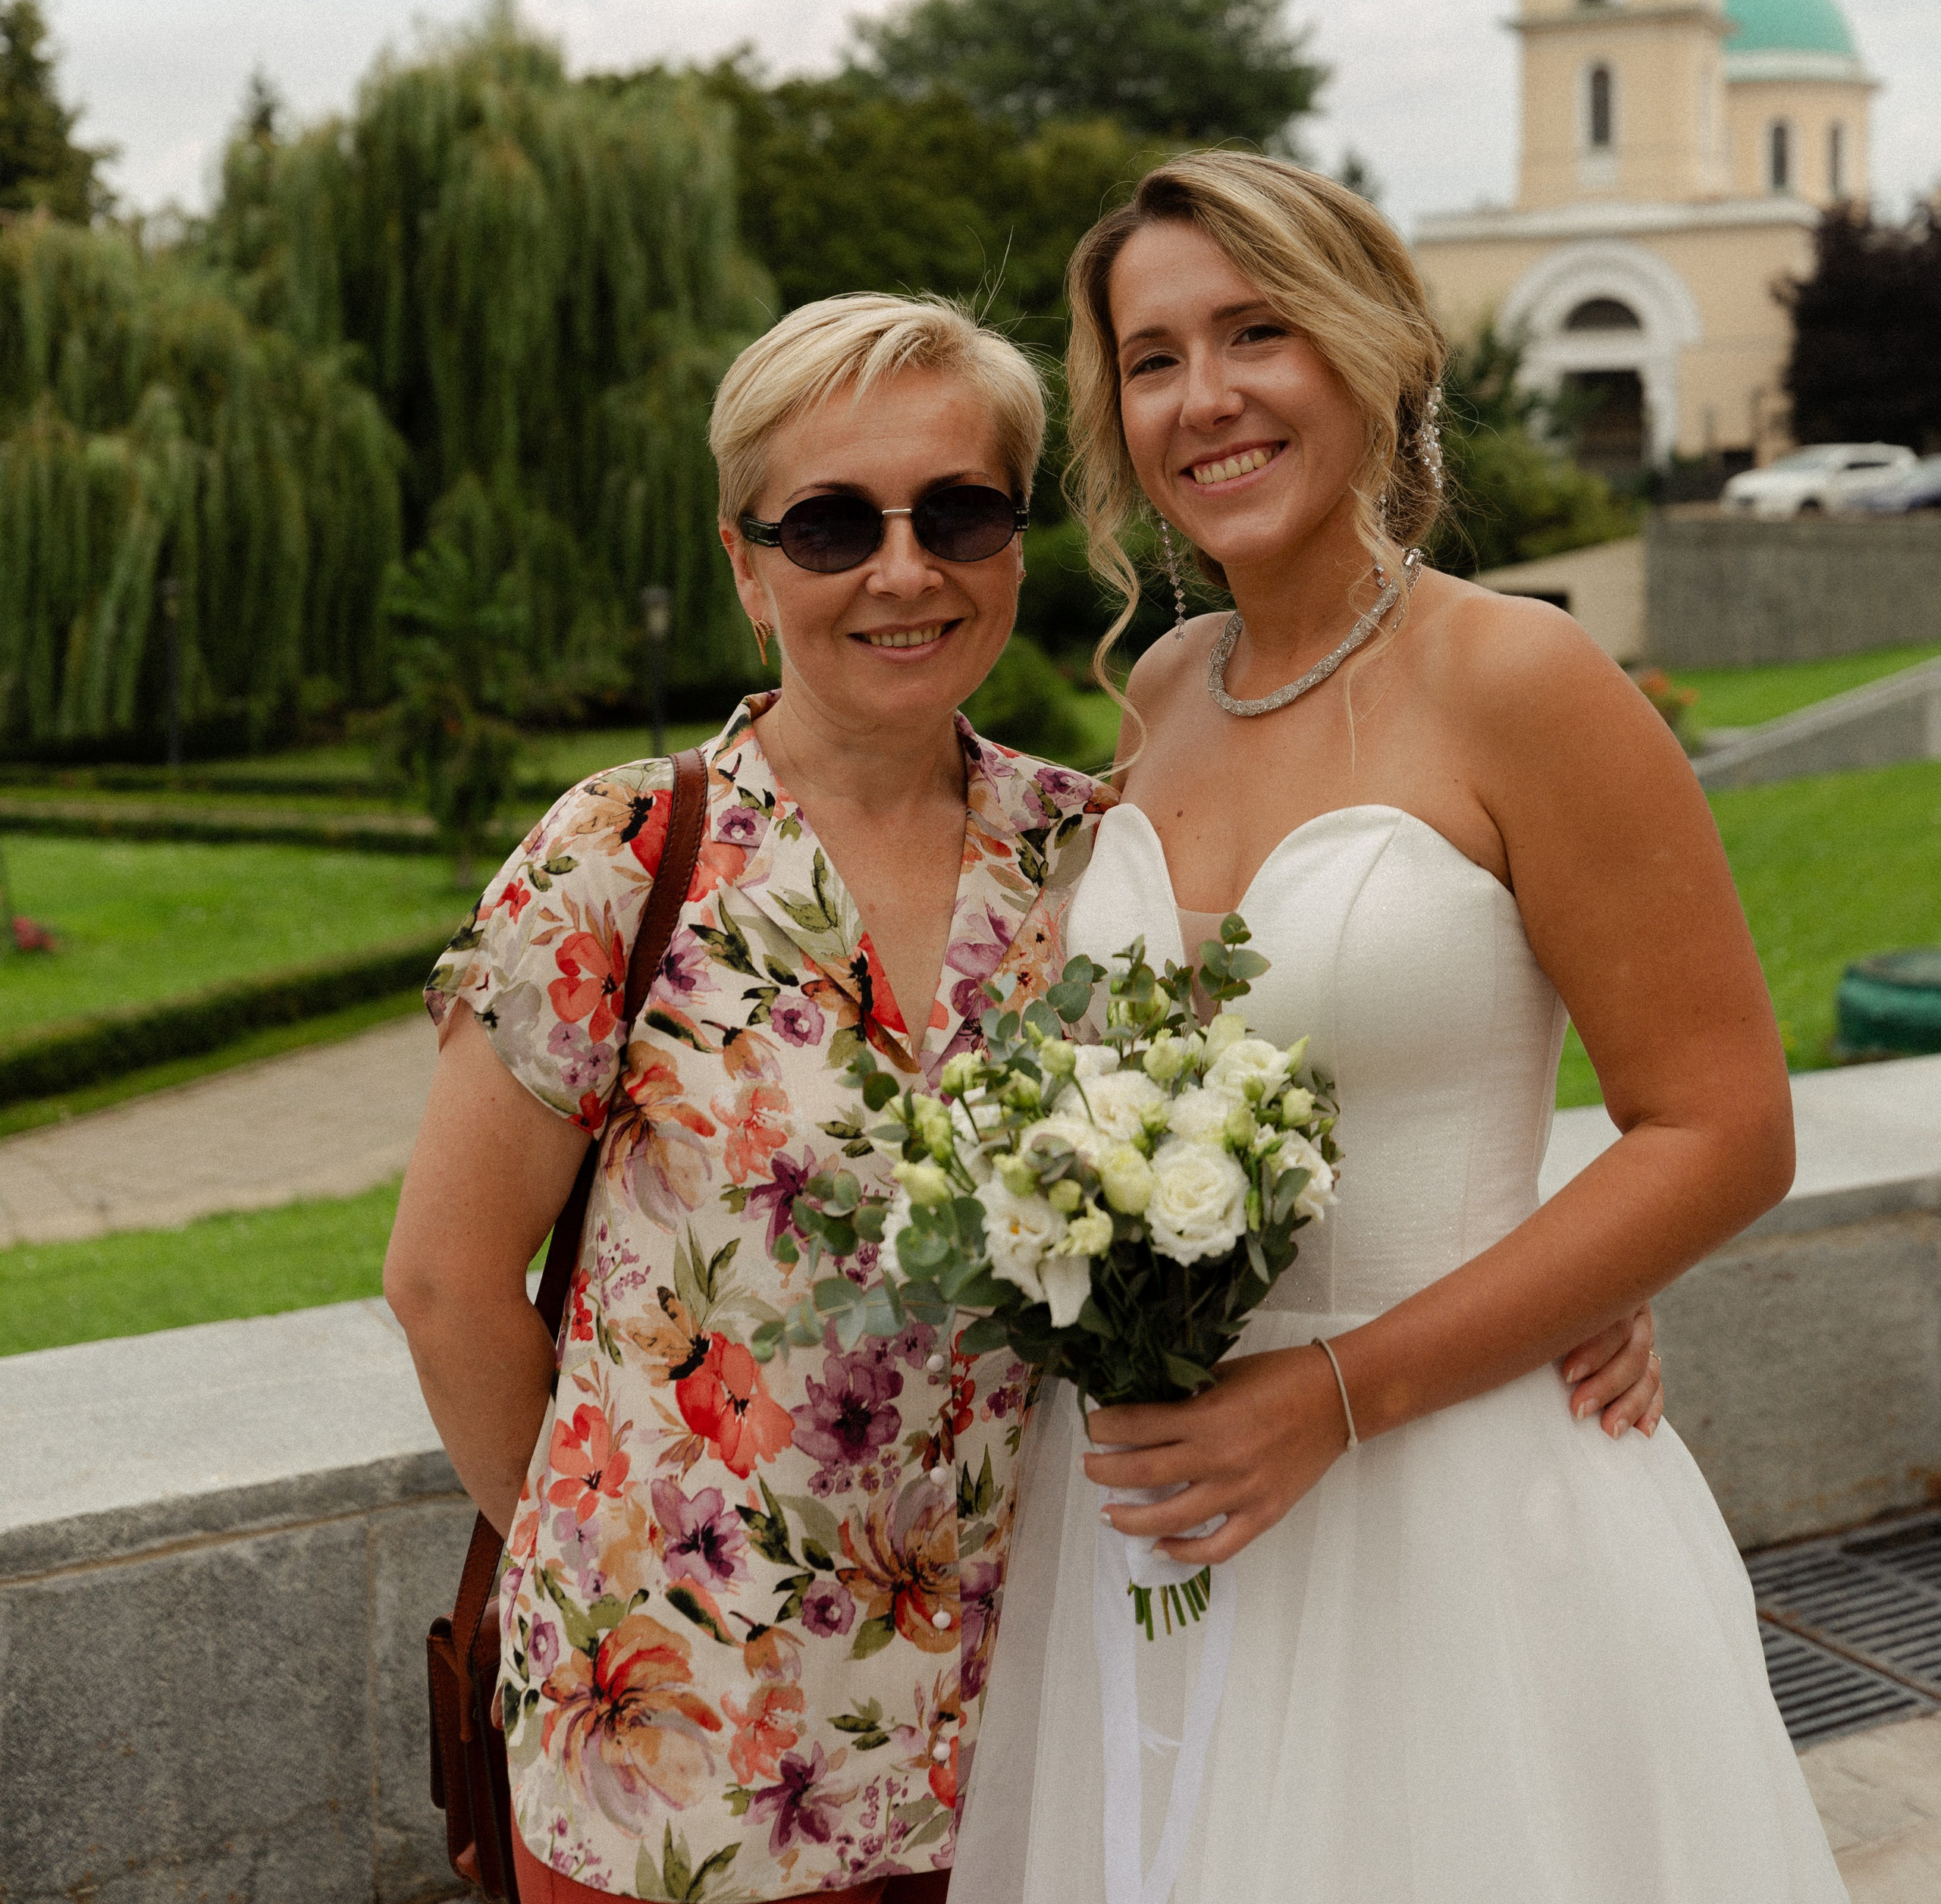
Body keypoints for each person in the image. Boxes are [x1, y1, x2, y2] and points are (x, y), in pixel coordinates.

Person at [387, 282, 1664, 1902]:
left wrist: (1568, 1278)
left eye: (959, 510)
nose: (901, 567)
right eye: (832, 523)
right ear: (744, 560)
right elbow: (442, 1285)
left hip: (1029, 1746)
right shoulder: (620, 855)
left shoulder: (1089, 847)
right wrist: (619, 1573)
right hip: (677, 1772)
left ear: (1011, 543)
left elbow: (1295, 1117)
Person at [950, 152, 1843, 1903]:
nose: (1203, 397)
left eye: (1254, 331)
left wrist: (1352, 1384)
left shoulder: (1519, 681)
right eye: (1149, 358)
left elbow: (1724, 1125)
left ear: (1366, 349)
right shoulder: (1156, 695)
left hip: (1457, 1511)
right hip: (1159, 1515)